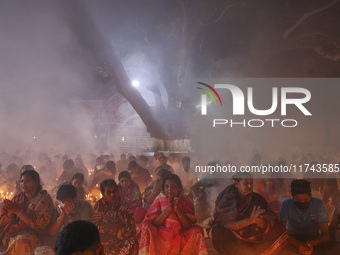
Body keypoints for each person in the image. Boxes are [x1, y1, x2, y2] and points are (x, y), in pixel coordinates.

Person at [211, 172, 286, 255]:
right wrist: (250, 220)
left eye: (251, 183)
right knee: (218, 231)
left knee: (279, 228)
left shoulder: (258, 199)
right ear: (236, 183)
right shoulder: (226, 199)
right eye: (246, 183)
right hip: (233, 237)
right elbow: (224, 224)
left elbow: (268, 221)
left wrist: (261, 222)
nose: (250, 186)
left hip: (255, 236)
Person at [139, 174, 208, 255]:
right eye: (167, 186)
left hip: (181, 234)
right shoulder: (160, 198)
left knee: (197, 230)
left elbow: (188, 226)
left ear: (179, 188)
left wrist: (177, 210)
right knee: (146, 226)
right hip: (162, 234)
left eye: (173, 186)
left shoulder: (185, 200)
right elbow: (154, 222)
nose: (169, 189)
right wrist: (168, 209)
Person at [0, 170, 54, 254]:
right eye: (21, 181)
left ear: (36, 183)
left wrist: (18, 211)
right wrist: (11, 212)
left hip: (35, 235)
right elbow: (3, 222)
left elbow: (40, 227)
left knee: (21, 241)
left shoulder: (44, 200)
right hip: (14, 231)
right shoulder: (19, 197)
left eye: (27, 181)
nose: (23, 184)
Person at [279, 179, 330, 255]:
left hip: (314, 240)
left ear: (311, 196)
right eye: (298, 200)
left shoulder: (318, 204)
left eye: (306, 200)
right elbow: (279, 234)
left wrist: (312, 244)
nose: (302, 203)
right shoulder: (286, 205)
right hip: (292, 241)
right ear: (292, 197)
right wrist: (298, 244)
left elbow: (326, 235)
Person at [92, 179, 139, 255]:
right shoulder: (99, 205)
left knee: (133, 242)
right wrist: (104, 228)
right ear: (103, 194)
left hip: (119, 242)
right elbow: (94, 225)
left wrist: (115, 229)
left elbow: (131, 230)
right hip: (102, 242)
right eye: (108, 192)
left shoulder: (125, 206)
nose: (112, 194)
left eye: (114, 191)